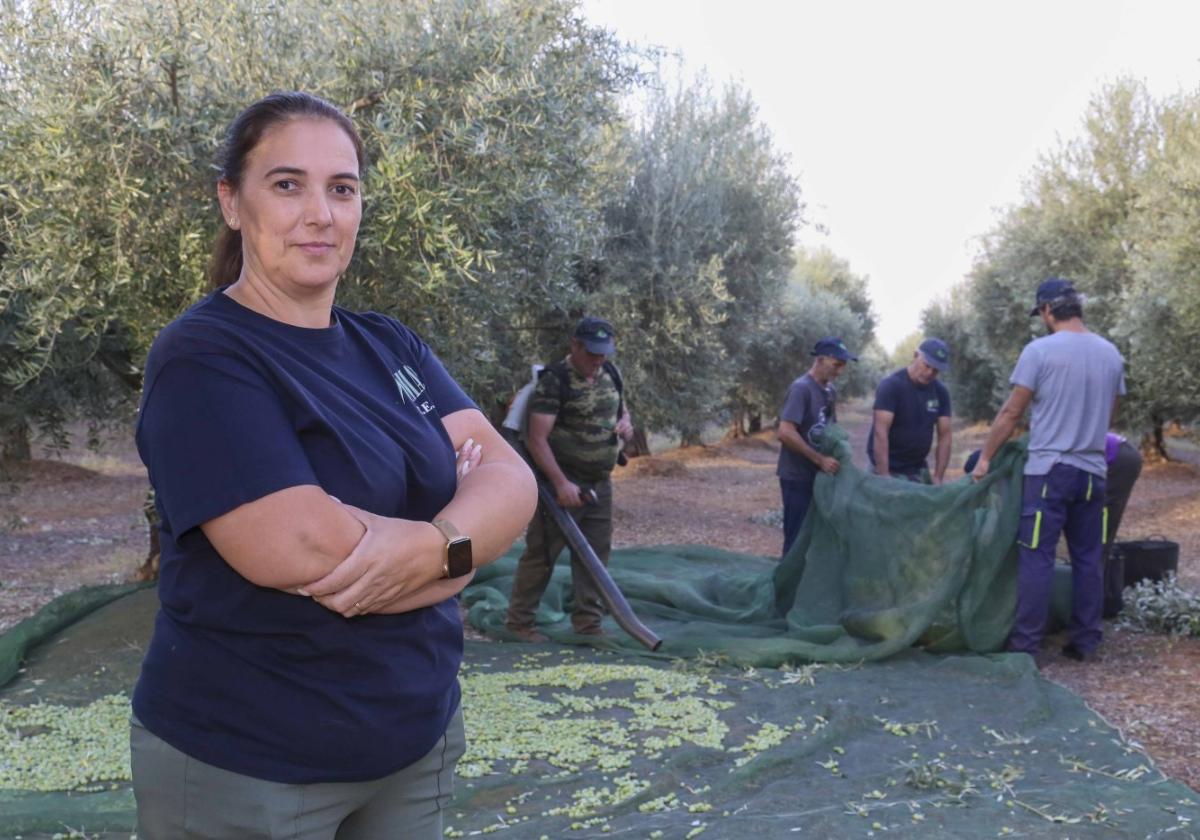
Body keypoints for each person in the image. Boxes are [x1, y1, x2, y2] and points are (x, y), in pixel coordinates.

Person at [130, 92, 537, 838]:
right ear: (232, 201)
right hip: (250, 766)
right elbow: (300, 547)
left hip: (415, 748)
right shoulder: (204, 357)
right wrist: (464, 548)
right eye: (288, 185)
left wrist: (436, 547)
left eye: (341, 189)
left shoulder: (392, 347)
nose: (320, 213)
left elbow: (510, 479)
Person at [972, 278, 1124, 663]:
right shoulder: (1111, 354)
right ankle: (1085, 641)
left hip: (1049, 472)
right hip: (1093, 472)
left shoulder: (1039, 351)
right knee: (1089, 557)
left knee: (1037, 556)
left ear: (1047, 310)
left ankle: (1025, 646)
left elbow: (1011, 411)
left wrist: (987, 456)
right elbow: (1110, 413)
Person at [504, 316, 634, 641]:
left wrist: (626, 428)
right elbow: (536, 439)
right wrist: (561, 483)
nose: (598, 359)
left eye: (603, 352)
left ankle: (588, 623)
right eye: (591, 352)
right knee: (543, 554)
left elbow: (623, 413)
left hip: (600, 483)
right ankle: (520, 623)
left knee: (596, 554)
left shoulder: (611, 374)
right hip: (562, 485)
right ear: (574, 346)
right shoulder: (555, 380)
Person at [776, 336, 857, 556]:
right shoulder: (801, 389)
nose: (840, 371)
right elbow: (785, 432)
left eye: (843, 366)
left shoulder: (830, 391)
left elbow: (830, 428)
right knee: (796, 538)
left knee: (817, 537)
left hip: (820, 478)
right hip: (797, 476)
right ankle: (788, 588)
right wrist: (819, 460)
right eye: (836, 365)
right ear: (820, 360)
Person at [867, 337, 953, 483]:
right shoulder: (892, 386)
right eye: (927, 365)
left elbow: (945, 436)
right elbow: (880, 432)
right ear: (915, 356)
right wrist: (884, 476)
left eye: (936, 370)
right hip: (886, 468)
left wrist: (938, 477)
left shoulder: (941, 392)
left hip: (917, 469)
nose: (930, 373)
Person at [1101, 432, 1143, 616]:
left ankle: (1101, 601)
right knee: (1099, 531)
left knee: (1101, 529)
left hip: (1121, 457)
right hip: (1120, 453)